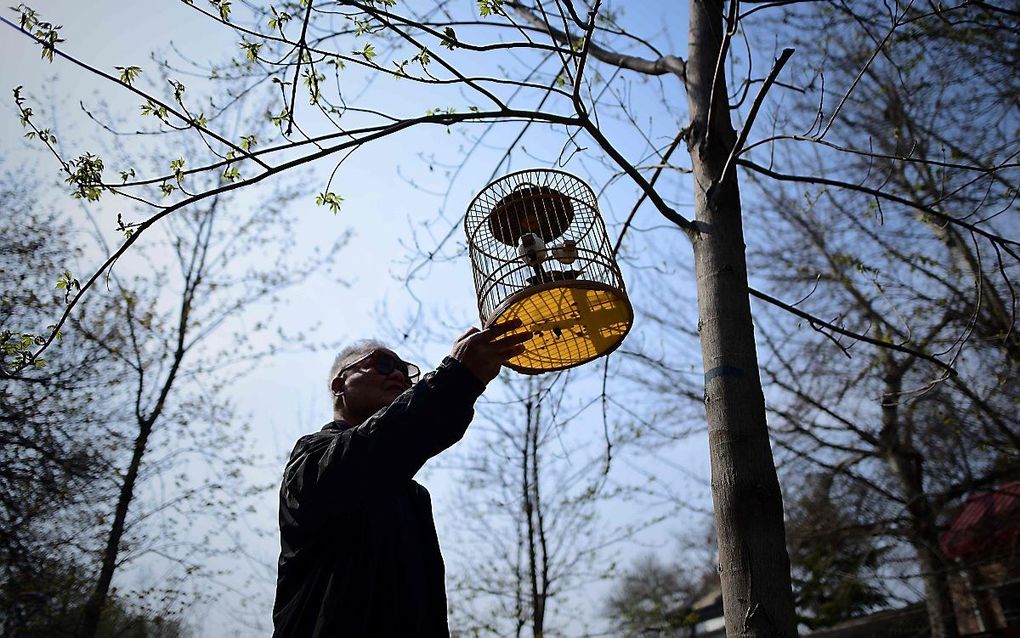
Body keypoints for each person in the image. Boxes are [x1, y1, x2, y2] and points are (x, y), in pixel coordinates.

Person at [272, 320, 531, 637]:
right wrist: (456, 379)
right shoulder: (311, 458)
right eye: (381, 363)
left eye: (407, 372)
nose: (398, 375)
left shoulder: (414, 498)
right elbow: (368, 455)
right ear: (339, 385)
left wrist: (457, 384)